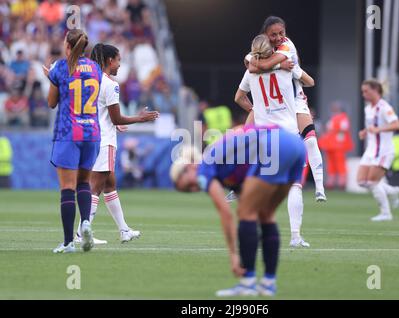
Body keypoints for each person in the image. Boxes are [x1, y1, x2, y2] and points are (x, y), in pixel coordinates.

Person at [170, 125, 306, 297]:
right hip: (297, 144)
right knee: (266, 214)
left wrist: (234, 254)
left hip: (275, 145)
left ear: (189, 166)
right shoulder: (226, 166)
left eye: (190, 185)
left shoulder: (204, 169)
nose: (196, 188)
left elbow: (226, 213)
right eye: (190, 190)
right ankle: (268, 283)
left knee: (245, 213)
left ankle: (248, 283)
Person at [73, 43, 159, 244]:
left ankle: (124, 230)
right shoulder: (111, 85)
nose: (120, 64)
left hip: (89, 136)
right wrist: (140, 118)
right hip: (104, 140)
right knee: (95, 187)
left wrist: (113, 122)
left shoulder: (89, 81)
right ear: (109, 60)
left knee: (110, 184)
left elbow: (100, 113)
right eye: (118, 60)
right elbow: (116, 118)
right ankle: (80, 234)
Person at [235, 34, 313, 248]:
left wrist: (255, 109)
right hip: (288, 135)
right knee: (295, 184)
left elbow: (238, 98)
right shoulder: (286, 66)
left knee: (263, 187)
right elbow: (310, 82)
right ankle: (296, 236)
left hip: (264, 135)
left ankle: (252, 228)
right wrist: (292, 68)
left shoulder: (250, 72)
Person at [245, 16, 326, 203]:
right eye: (274, 34)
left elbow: (260, 66)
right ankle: (239, 185)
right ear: (265, 36)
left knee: (311, 142)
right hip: (270, 106)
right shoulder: (259, 52)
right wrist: (277, 65)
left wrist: (263, 64)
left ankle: (320, 188)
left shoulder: (287, 47)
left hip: (294, 101)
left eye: (282, 33)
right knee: (248, 138)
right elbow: (251, 70)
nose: (279, 37)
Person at [44, 29, 102, 253]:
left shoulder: (60, 67)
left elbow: (51, 102)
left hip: (69, 133)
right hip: (92, 133)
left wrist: (50, 77)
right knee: (84, 183)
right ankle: (86, 223)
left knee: (67, 188)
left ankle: (69, 242)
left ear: (68, 46)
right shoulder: (95, 68)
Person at [357, 80, 399, 222]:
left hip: (384, 150)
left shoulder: (384, 107)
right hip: (371, 150)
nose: (364, 94)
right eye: (362, 91)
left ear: (376, 90)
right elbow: (372, 126)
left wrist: (378, 130)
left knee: (372, 182)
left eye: (366, 91)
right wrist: (365, 132)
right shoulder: (368, 108)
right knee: (361, 182)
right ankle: (393, 191)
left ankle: (386, 213)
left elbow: (397, 124)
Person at [319, 102, 354, 190]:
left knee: (340, 163)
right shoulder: (332, 118)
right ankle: (331, 182)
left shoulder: (343, 118)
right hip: (330, 145)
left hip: (338, 145)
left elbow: (343, 129)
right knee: (330, 164)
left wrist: (333, 131)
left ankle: (342, 182)